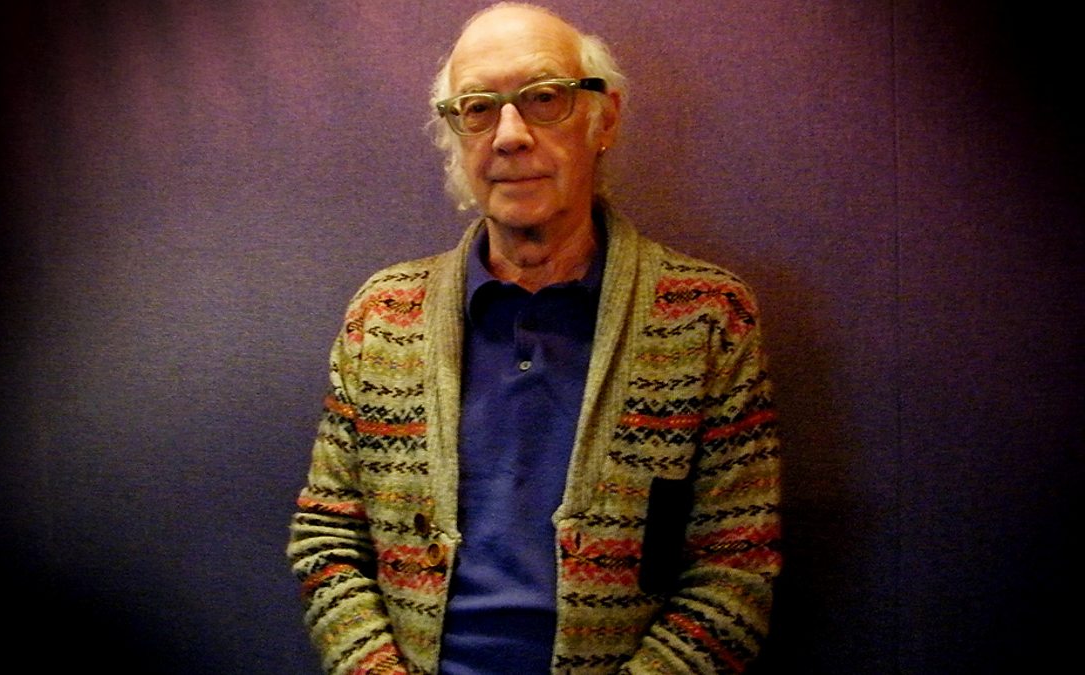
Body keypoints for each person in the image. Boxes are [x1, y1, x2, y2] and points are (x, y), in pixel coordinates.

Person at [287, 3, 781, 673]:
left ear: (604, 118)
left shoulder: (706, 319)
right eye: (478, 108)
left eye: (544, 98)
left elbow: (735, 569)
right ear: (455, 134)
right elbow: (327, 540)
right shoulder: (383, 317)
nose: (510, 135)